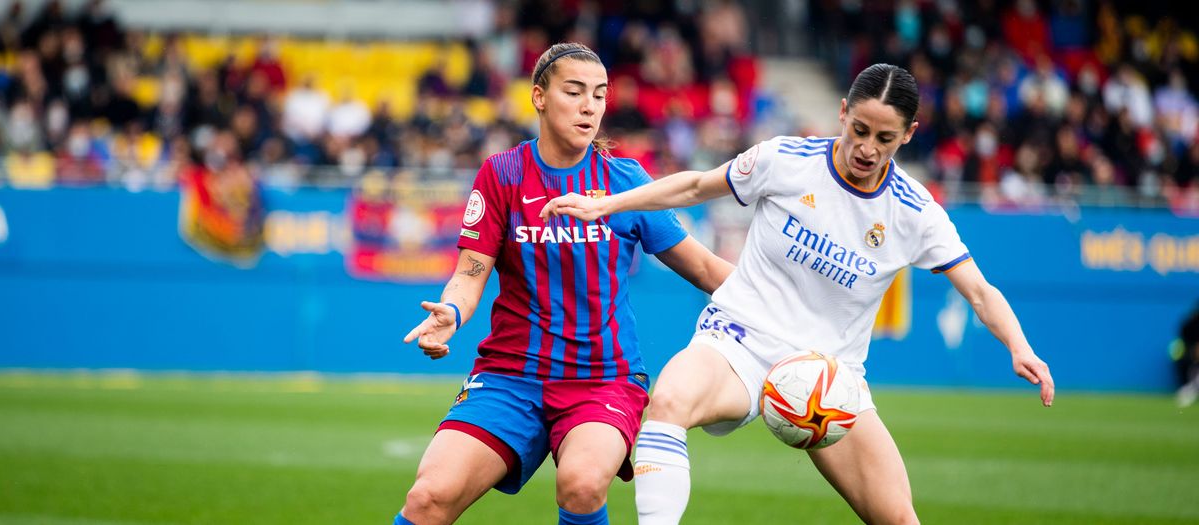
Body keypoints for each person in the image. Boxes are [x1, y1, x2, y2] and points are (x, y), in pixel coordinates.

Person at [541, 63, 1055, 525]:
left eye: (885, 138)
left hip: (827, 379)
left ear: (909, 134)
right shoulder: (785, 159)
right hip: (738, 341)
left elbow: (979, 291)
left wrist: (1020, 346)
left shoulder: (915, 212)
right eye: (859, 129)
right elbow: (696, 186)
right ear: (842, 112)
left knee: (898, 517)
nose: (867, 148)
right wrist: (608, 204)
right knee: (670, 400)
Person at [395, 42, 733, 525]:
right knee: (429, 497)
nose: (589, 106)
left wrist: (791, 311)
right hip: (510, 375)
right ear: (539, 96)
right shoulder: (502, 174)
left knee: (581, 483)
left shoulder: (625, 182)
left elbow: (704, 268)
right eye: (574, 92)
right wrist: (450, 312)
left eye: (599, 94)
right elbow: (469, 274)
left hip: (603, 379)